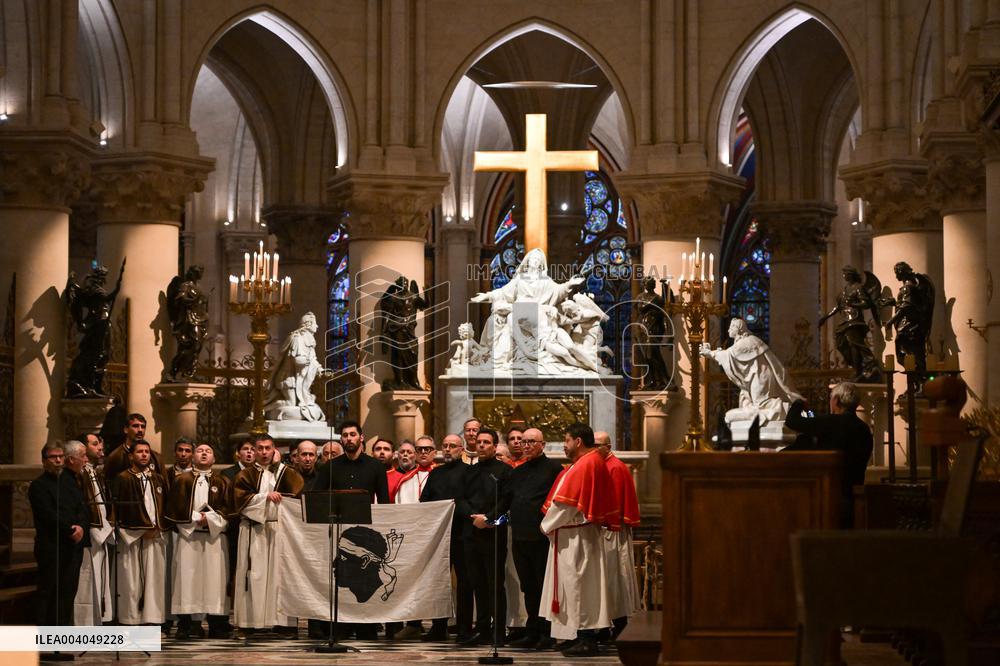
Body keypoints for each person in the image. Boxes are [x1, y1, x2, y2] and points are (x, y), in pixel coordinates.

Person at [540, 423, 619, 657]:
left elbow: (566, 504)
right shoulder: (590, 461)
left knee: (579, 586)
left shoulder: (585, 464)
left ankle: (586, 638)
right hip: (576, 535)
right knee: (576, 586)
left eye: (566, 440)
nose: (564, 445)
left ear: (578, 442)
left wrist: (546, 525)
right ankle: (577, 634)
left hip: (576, 538)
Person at [313, 420, 389, 640]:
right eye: (345, 435)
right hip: (338, 533)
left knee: (363, 579)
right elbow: (317, 498)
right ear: (341, 439)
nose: (348, 439)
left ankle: (366, 626)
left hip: (365, 534)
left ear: (361, 437)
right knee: (341, 581)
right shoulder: (330, 466)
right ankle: (342, 625)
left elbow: (384, 502)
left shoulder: (375, 466)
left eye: (352, 434)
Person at [489, 427, 562, 649]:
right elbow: (505, 501)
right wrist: (490, 519)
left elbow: (557, 503)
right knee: (528, 587)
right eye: (524, 441)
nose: (526, 445)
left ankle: (547, 632)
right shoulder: (517, 472)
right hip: (520, 537)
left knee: (542, 586)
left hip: (541, 538)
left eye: (532, 441)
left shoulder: (554, 469)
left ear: (543, 444)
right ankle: (532, 630)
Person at [232, 434, 304, 637]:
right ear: (253, 451)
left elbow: (297, 496)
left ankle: (284, 624)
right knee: (253, 576)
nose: (264, 452)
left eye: (268, 448)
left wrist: (278, 470)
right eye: (260, 448)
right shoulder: (245, 475)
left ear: (275, 451)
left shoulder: (286, 473)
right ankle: (249, 623)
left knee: (280, 578)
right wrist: (264, 497)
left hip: (280, 531)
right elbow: (239, 502)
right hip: (253, 531)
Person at [163, 443, 231, 638]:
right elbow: (174, 508)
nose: (204, 453)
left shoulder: (223, 481)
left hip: (214, 539)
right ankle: (188, 625)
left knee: (214, 581)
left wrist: (208, 519)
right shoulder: (181, 480)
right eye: (200, 450)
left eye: (208, 451)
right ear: (193, 457)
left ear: (214, 459)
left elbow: (228, 509)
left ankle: (216, 624)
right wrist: (195, 519)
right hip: (189, 538)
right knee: (187, 580)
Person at [784, 382, 874, 527]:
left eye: (831, 398)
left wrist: (799, 403)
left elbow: (792, 421)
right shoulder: (864, 429)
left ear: (837, 400)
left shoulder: (831, 422)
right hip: (853, 496)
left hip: (828, 496)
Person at [29, 443, 90, 632]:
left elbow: (82, 506)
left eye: (60, 457)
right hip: (51, 545)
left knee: (67, 591)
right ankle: (44, 635)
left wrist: (80, 526)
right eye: (53, 457)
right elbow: (47, 514)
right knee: (49, 590)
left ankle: (61, 634)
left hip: (71, 546)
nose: (57, 460)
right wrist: (70, 529)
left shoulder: (68, 482)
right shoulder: (38, 485)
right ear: (44, 460)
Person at [460, 428, 512, 646]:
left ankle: (498, 632)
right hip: (471, 534)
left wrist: (488, 519)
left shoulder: (504, 471)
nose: (481, 445)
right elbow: (460, 498)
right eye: (479, 442)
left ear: (494, 445)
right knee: (478, 584)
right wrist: (473, 518)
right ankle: (482, 629)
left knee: (495, 585)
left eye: (486, 442)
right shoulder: (469, 472)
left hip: (494, 534)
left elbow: (506, 501)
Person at [420, 434, 472, 642]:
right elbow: (425, 500)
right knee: (438, 582)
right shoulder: (436, 473)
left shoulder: (470, 473)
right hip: (440, 535)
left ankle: (464, 627)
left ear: (462, 449)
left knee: (465, 582)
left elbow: (472, 501)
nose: (448, 449)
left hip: (463, 534)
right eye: (445, 446)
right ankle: (438, 626)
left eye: (453, 446)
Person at [388, 435, 439, 640]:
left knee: (435, 581)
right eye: (420, 449)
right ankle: (413, 623)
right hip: (411, 540)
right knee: (411, 581)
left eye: (428, 449)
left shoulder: (440, 475)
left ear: (435, 452)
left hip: (436, 537)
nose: (424, 452)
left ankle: (438, 625)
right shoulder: (405, 480)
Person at [113, 440, 168, 625]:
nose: (144, 455)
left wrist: (158, 526)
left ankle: (153, 619)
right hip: (133, 537)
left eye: (147, 452)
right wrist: (138, 531)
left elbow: (163, 506)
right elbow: (118, 510)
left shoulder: (157, 478)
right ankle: (130, 619)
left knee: (154, 579)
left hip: (155, 536)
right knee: (131, 579)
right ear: (131, 456)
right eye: (140, 452)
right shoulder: (123, 478)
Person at [594, 431, 640, 640]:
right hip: (603, 530)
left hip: (612, 531)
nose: (594, 449)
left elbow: (613, 504)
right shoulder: (602, 465)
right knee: (605, 580)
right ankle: (604, 625)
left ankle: (618, 624)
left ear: (608, 446)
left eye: (598, 445)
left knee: (614, 579)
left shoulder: (615, 468)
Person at [72, 434, 114, 625]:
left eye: (100, 444)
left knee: (100, 577)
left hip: (102, 531)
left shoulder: (96, 472)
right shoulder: (78, 475)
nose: (100, 448)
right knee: (87, 578)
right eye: (95, 444)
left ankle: (99, 620)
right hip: (88, 534)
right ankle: (84, 623)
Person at [104, 413, 162, 485]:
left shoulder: (155, 457)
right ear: (126, 429)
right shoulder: (115, 457)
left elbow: (164, 484)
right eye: (135, 426)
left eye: (143, 427)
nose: (140, 430)